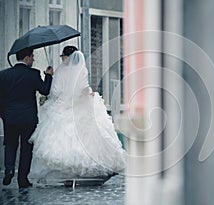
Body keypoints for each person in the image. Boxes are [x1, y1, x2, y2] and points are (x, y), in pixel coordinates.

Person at [28, 46, 126, 184]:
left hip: (62, 108)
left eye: (62, 56)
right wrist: (88, 93)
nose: (61, 59)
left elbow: (55, 92)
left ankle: (67, 174)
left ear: (66, 57)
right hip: (80, 107)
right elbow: (83, 89)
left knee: (63, 140)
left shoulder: (61, 71)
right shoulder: (82, 70)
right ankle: (85, 173)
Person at [0, 48, 53, 188]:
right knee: (26, 149)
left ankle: (9, 169)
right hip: (28, 118)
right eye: (33, 56)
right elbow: (45, 90)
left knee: (10, 144)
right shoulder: (33, 74)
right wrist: (48, 76)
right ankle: (22, 180)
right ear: (27, 58)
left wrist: (4, 115)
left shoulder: (4, 75)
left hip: (10, 117)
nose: (34, 59)